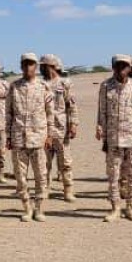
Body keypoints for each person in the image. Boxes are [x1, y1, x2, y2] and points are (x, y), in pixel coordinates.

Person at [96, 54, 132, 222]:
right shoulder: (105, 86)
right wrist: (102, 134)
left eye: (125, 66)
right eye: (118, 66)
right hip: (113, 138)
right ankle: (115, 208)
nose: (121, 69)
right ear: (113, 67)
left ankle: (131, 208)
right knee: (113, 176)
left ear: (129, 68)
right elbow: (101, 112)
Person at [5, 52, 54, 222]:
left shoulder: (43, 87)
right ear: (21, 66)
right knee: (20, 177)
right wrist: (9, 137)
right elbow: (9, 113)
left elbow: (50, 114)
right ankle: (27, 207)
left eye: (31, 64)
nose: (28, 67)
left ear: (36, 67)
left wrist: (49, 135)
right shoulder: (14, 87)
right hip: (19, 138)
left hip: (38, 138)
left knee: (41, 176)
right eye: (25, 64)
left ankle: (39, 208)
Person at [41, 54, 78, 202]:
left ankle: (68, 190)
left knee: (65, 162)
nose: (41, 69)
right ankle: (45, 189)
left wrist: (73, 124)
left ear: (51, 66)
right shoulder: (40, 84)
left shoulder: (64, 83)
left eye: (43, 66)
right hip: (44, 130)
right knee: (44, 163)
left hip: (61, 129)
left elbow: (72, 106)